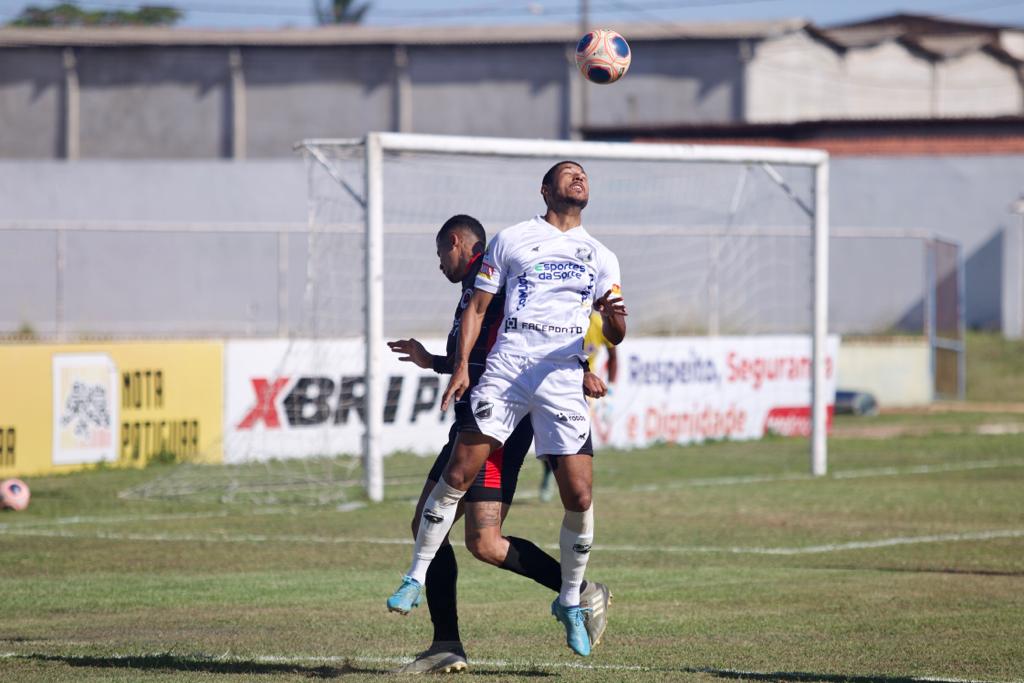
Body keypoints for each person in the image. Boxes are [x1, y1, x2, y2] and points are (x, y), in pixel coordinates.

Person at [387, 162, 627, 658]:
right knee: (485, 543)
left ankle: (449, 640)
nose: (440, 267)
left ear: (457, 243)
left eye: (441, 255)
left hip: (511, 407)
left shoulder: (504, 260)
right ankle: (573, 594)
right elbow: (497, 339)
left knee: (453, 523)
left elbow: (527, 328)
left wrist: (577, 367)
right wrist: (436, 361)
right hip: (500, 398)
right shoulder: (497, 264)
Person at [539, 310, 618, 502]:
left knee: (572, 438)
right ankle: (549, 471)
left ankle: (568, 483)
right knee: (546, 438)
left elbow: (614, 356)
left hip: (583, 389)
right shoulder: (561, 317)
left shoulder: (598, 324)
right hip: (553, 384)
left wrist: (612, 392)